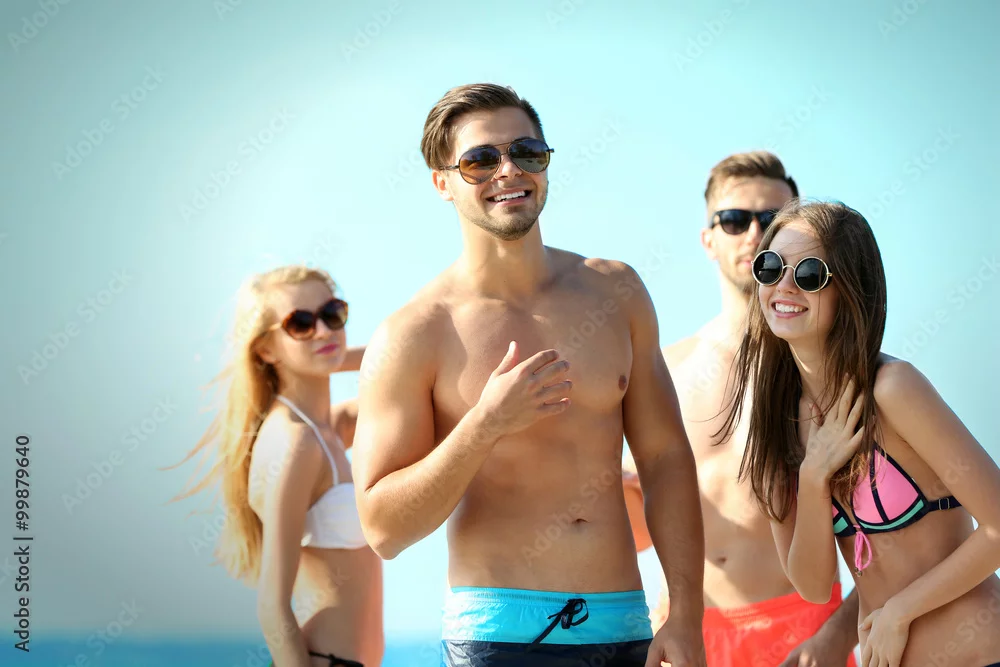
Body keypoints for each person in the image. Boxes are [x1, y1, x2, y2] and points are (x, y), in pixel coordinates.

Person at [351, 83, 707, 667]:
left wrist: (688, 614)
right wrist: (483, 426)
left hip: (624, 626)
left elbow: (665, 457)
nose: (509, 170)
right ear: (442, 182)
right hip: (499, 638)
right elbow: (383, 529)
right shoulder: (415, 333)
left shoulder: (615, 292)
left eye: (527, 151)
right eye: (480, 160)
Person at [716, 199, 1000, 666]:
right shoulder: (776, 422)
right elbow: (813, 584)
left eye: (809, 274)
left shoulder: (892, 390)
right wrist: (814, 476)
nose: (784, 285)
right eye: (770, 268)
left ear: (848, 290)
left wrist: (901, 612)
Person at [624, 152, 860, 666]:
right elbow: (636, 530)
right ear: (708, 239)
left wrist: (839, 635)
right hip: (690, 634)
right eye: (734, 220)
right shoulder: (667, 369)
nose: (754, 234)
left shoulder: (827, 372)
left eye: (771, 220)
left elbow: (893, 536)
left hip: (807, 632)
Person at [172, 265, 383, 667]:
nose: (322, 331)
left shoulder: (326, 429)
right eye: (300, 324)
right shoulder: (297, 443)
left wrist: (321, 354)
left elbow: (402, 364)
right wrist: (326, 355)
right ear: (266, 350)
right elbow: (272, 606)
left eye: (332, 314)